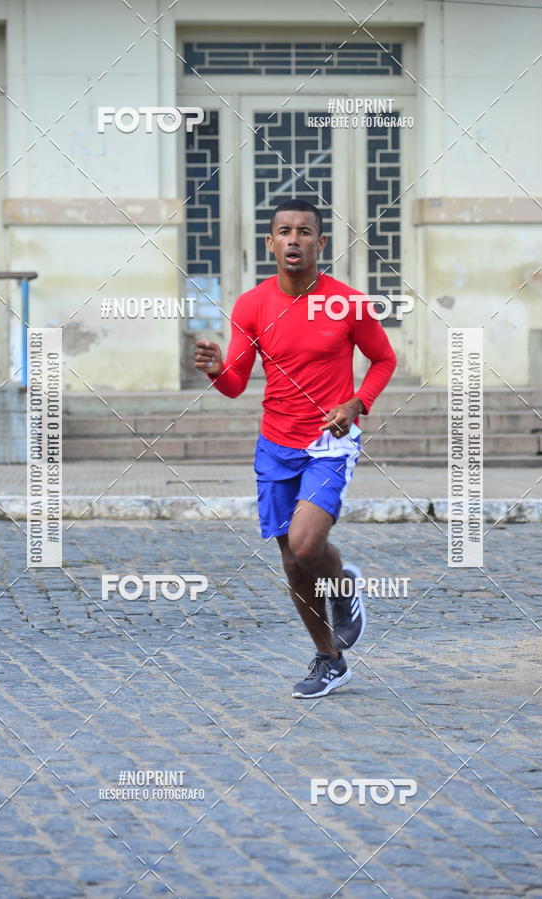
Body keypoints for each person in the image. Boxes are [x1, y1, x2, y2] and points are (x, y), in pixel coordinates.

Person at [194, 199, 397, 698]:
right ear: (270, 243)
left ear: (319, 243)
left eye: (304, 232)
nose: (293, 240)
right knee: (291, 562)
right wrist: (217, 369)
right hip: (275, 444)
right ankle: (329, 659)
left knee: (307, 545)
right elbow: (237, 384)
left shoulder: (346, 302)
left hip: (330, 441)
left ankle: (342, 584)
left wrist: (356, 404)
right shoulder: (251, 305)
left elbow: (384, 359)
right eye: (283, 231)